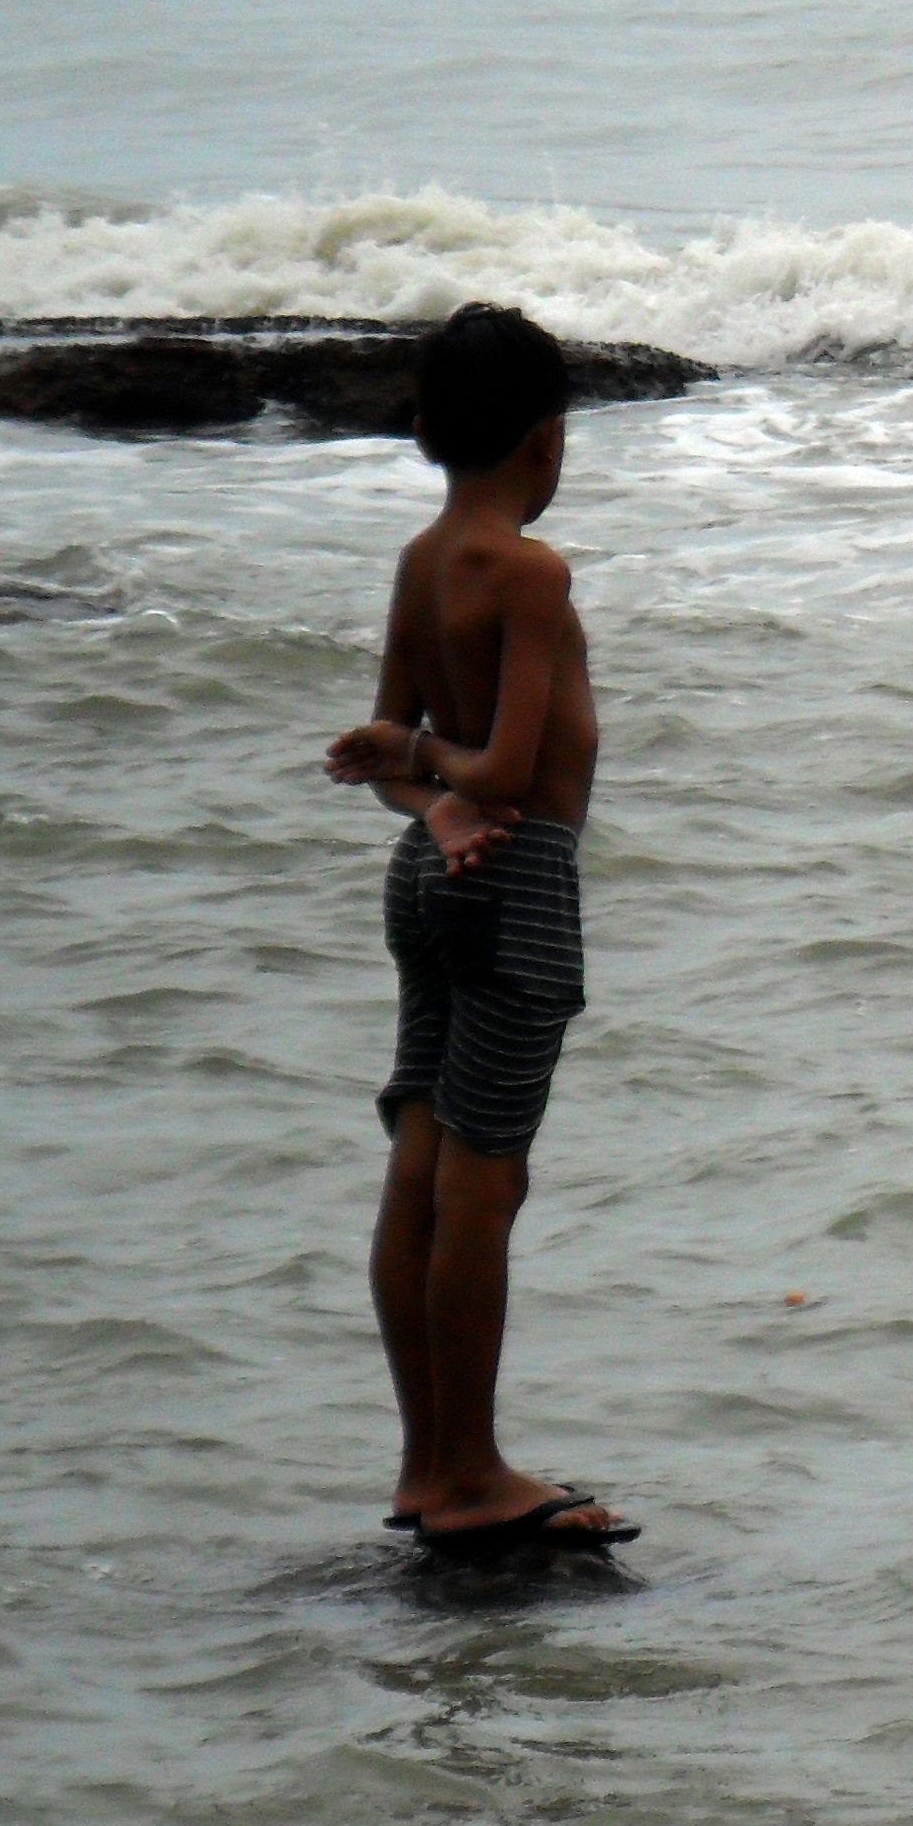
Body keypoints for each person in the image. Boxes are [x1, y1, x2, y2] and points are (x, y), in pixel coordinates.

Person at [321, 305, 635, 1550]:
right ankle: (473, 1472)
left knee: (423, 1160)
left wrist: (426, 793)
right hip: (519, 880)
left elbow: (391, 754)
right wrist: (447, 779)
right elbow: (504, 766)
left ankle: (423, 1464)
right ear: (546, 442)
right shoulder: (532, 575)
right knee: (486, 1183)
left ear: (425, 430)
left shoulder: (417, 560)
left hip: (429, 871)